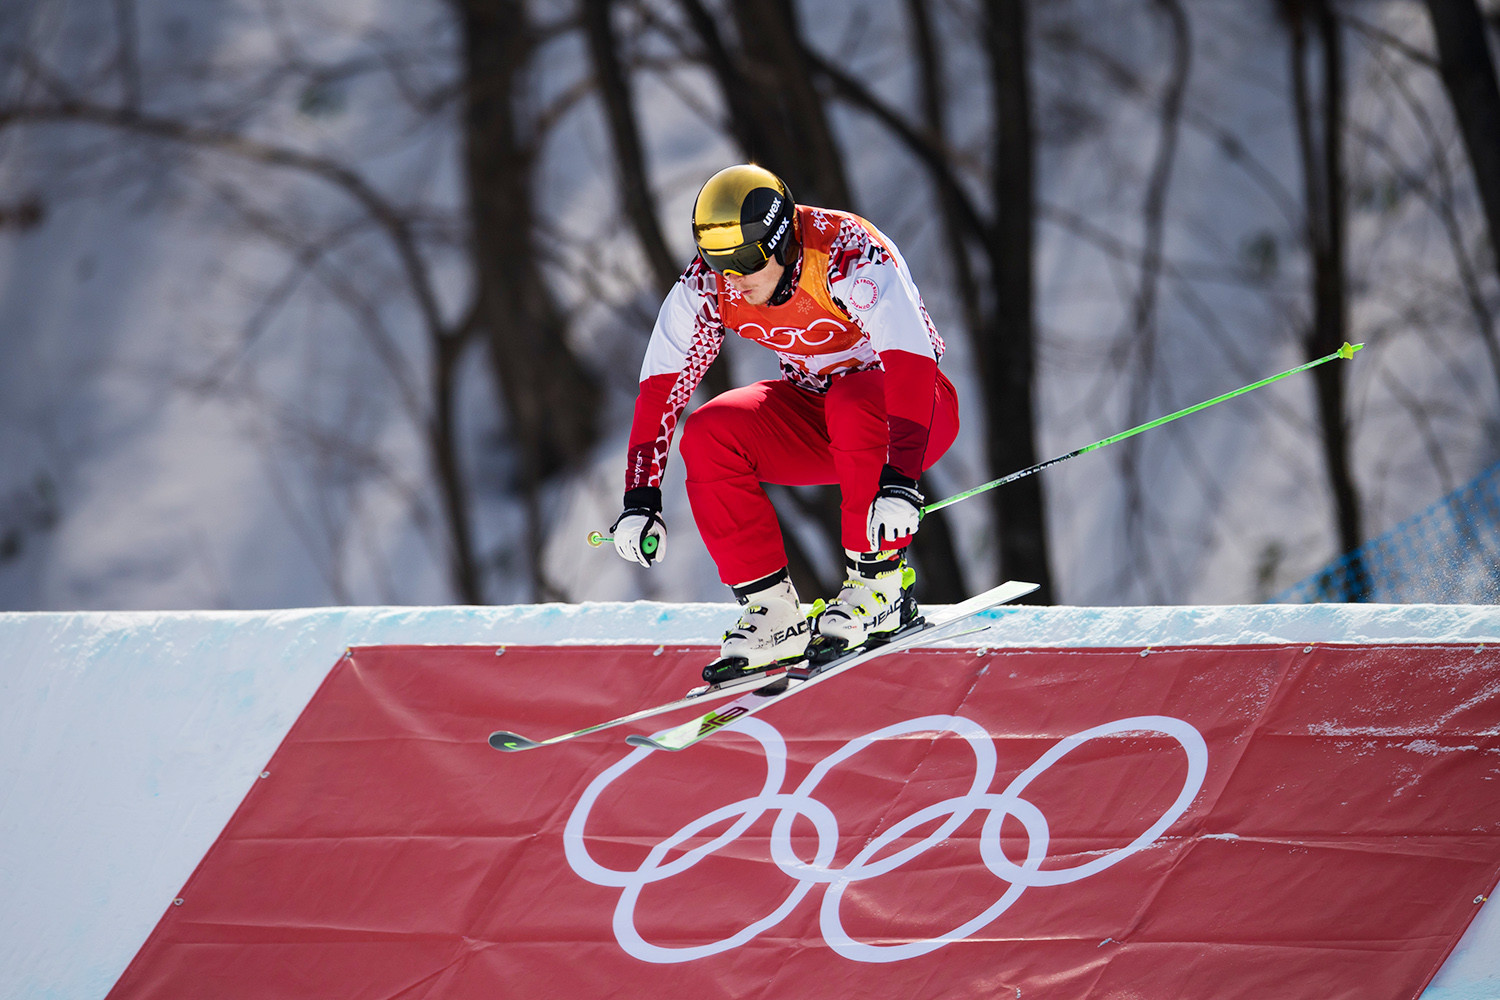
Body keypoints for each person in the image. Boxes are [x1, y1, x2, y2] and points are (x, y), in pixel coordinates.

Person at [609, 163, 960, 681]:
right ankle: (773, 613)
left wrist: (902, 480)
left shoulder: (846, 255)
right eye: (717, 262)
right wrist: (640, 498)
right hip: (817, 418)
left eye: (745, 262)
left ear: (779, 242)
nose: (732, 279)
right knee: (711, 432)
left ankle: (880, 587)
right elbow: (662, 385)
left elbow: (910, 359)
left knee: (852, 397)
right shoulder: (711, 286)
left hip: (908, 413)